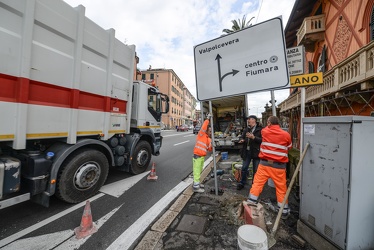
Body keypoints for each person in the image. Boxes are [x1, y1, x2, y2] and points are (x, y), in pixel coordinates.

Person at [247, 116, 292, 219]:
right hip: (278, 166)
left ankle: (251, 203)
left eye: (268, 122)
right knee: (281, 188)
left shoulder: (265, 131)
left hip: (264, 164)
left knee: (257, 184)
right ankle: (283, 211)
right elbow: (289, 147)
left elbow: (266, 130)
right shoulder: (286, 135)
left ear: (269, 123)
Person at [237, 115, 262, 190]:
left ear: (254, 120)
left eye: (249, 119)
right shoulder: (246, 129)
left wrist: (253, 137)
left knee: (256, 170)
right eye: (248, 119)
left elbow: (262, 140)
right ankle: (242, 183)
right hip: (247, 151)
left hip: (256, 152)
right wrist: (242, 139)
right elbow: (242, 136)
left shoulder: (260, 129)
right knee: (244, 168)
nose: (248, 120)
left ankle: (254, 185)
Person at [192, 114, 213, 193]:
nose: (210, 132)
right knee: (196, 171)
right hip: (197, 156)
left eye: (211, 131)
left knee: (199, 171)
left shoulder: (208, 139)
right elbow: (204, 126)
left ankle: (196, 183)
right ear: (206, 130)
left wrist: (212, 145)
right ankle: (196, 187)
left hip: (201, 157)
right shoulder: (201, 134)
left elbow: (209, 149)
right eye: (209, 131)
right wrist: (208, 119)